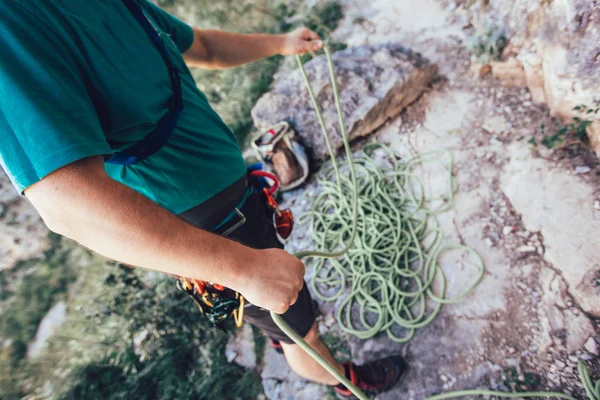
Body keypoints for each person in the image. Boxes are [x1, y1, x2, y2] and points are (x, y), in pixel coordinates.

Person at [0, 0, 405, 397]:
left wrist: (280, 43)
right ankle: (342, 381)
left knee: (282, 313)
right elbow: (66, 203)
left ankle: (287, 340)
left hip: (229, 200)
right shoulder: (12, 23)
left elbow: (203, 47)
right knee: (301, 328)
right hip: (207, 225)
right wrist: (244, 270)